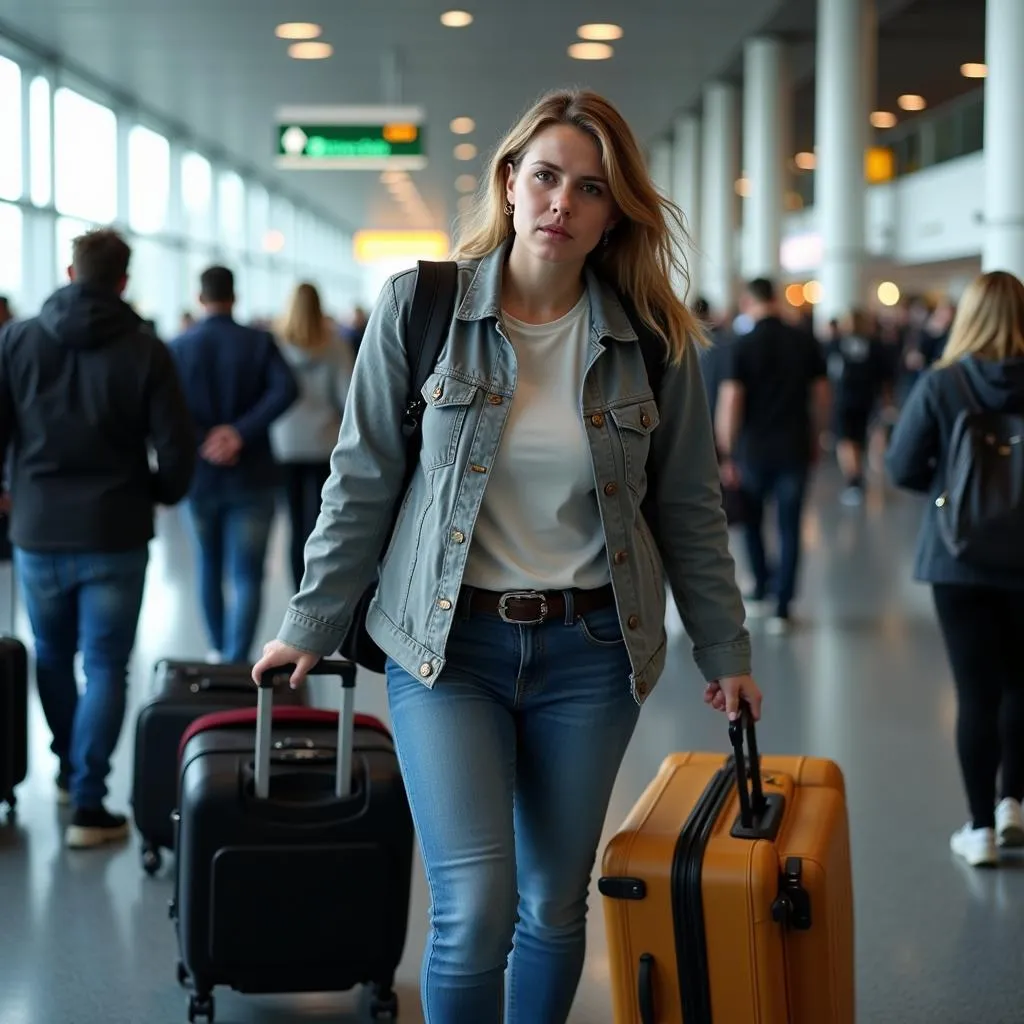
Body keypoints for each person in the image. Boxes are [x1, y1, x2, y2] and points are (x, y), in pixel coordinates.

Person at [253, 88, 761, 1024]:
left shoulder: (650, 338)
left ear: (616, 214)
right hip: (448, 649)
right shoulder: (423, 307)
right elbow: (361, 478)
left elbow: (689, 505)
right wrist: (308, 623)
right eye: (546, 177)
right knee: (475, 910)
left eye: (591, 188)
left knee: (553, 906)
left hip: (592, 652)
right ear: (511, 183)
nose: (562, 201)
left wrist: (725, 650)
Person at [0, 228, 195, 847]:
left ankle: (67, 766)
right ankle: (89, 800)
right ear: (123, 280)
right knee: (106, 664)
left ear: (68, 270)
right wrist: (158, 494)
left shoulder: (18, 339)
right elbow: (176, 446)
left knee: (53, 655)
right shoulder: (144, 348)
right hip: (116, 528)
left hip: (36, 528)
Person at [887, 270, 1024, 868]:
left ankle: (978, 829)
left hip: (957, 558)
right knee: (1022, 686)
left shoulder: (943, 385)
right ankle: (1014, 802)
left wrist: (947, 490)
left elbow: (900, 466)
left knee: (976, 692)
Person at [170, 267, 297, 664]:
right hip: (253, 474)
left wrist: (203, 438)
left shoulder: (178, 347)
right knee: (247, 574)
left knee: (207, 567)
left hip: (201, 474)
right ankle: (237, 658)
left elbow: (166, 406)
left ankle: (216, 649)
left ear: (199, 296)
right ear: (234, 295)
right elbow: (286, 389)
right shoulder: (259, 342)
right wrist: (240, 433)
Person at [716, 278, 830, 633]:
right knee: (789, 525)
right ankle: (783, 605)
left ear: (749, 301)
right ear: (776, 299)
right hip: (794, 444)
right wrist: (818, 435)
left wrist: (726, 451)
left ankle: (762, 586)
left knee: (751, 521)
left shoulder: (742, 344)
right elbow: (823, 396)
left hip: (752, 449)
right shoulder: (804, 341)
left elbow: (732, 401)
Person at [270, 282, 354, 590]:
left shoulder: (275, 344)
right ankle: (317, 587)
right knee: (321, 523)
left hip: (284, 444)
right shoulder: (335, 345)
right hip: (324, 443)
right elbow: (348, 397)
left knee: (294, 523)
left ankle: (297, 590)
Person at [826, 309, 886, 505]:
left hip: (844, 398)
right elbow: (884, 376)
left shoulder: (836, 344)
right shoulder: (875, 345)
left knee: (845, 440)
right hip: (867, 398)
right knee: (858, 438)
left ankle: (853, 480)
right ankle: (858, 476)